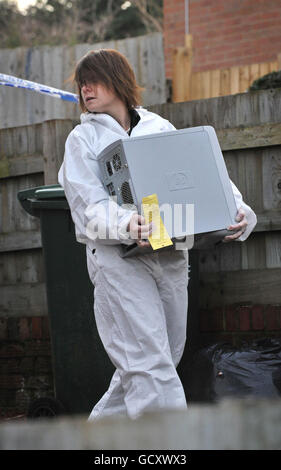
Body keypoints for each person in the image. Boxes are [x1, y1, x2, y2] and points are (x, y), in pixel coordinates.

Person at [58, 49, 257, 421]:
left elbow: (199, 175)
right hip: (119, 263)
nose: (85, 88)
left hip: (169, 254)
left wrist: (238, 211)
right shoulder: (81, 140)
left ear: (118, 80)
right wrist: (127, 224)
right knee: (149, 365)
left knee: (156, 359)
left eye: (94, 79)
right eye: (81, 83)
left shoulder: (159, 127)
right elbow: (86, 205)